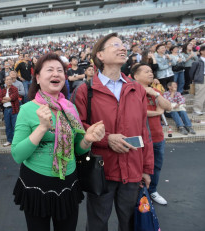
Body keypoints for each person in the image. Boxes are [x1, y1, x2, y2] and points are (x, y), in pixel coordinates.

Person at [11, 53, 105, 231]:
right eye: (50, 70)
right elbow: (17, 154)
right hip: (36, 185)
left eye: (60, 70)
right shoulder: (27, 109)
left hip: (69, 183)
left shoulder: (70, 108)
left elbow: (78, 150)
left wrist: (87, 139)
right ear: (38, 78)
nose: (56, 74)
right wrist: (41, 128)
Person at [72, 33, 154, 231]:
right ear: (100, 55)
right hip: (102, 172)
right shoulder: (85, 91)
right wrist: (107, 139)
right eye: (115, 45)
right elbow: (78, 129)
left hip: (133, 170)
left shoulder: (137, 89)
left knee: (130, 224)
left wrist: (146, 168)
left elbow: (144, 131)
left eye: (123, 44)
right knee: (97, 224)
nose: (122, 48)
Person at [131, 63, 172, 205]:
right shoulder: (132, 91)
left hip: (157, 136)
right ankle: (138, 193)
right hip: (139, 138)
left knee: (156, 166)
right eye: (146, 71)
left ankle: (152, 191)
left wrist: (154, 94)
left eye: (151, 71)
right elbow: (136, 112)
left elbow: (168, 106)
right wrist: (157, 113)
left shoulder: (155, 91)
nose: (151, 73)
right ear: (136, 76)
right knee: (138, 166)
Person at [0, 76, 19, 147]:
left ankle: (16, 141)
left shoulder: (15, 89)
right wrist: (7, 99)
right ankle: (9, 140)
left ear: (12, 81)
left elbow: (14, 97)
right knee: (8, 126)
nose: (9, 81)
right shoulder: (3, 90)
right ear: (5, 81)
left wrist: (8, 99)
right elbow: (0, 99)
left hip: (13, 109)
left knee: (15, 126)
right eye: (7, 80)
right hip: (6, 110)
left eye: (10, 79)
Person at [189, 45, 205, 116]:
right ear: (201, 51)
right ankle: (197, 110)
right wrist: (194, 79)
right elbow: (192, 72)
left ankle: (203, 109)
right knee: (199, 94)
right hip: (201, 78)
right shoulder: (197, 61)